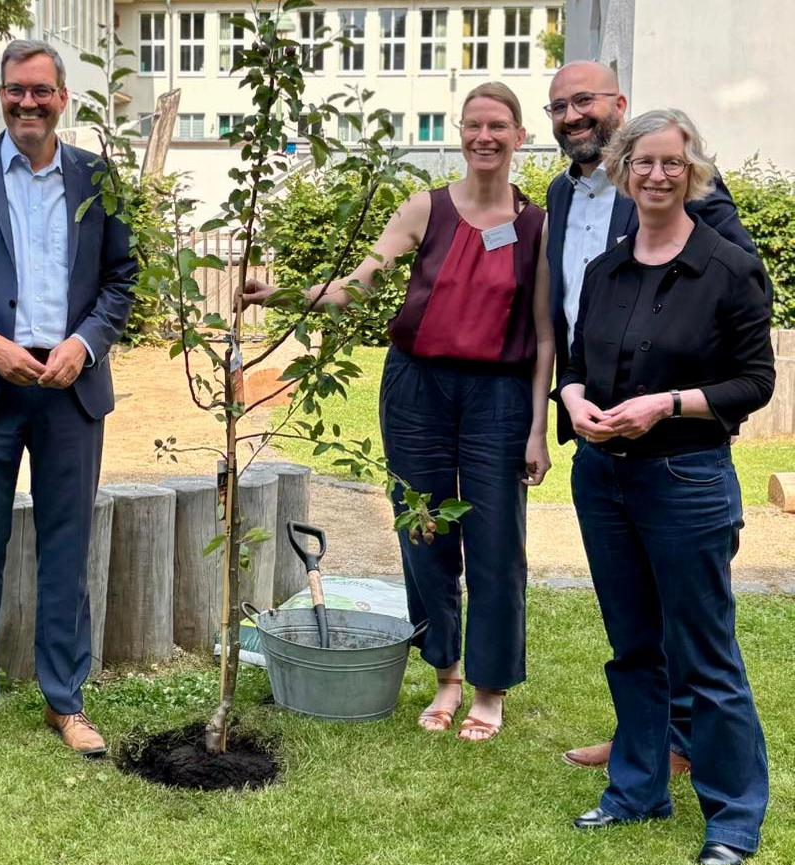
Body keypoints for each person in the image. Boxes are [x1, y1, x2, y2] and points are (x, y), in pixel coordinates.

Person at [246, 82, 553, 742]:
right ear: (460, 133)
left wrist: (537, 428)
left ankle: (490, 689)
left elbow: (545, 334)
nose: (484, 136)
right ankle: (445, 675)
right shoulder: (425, 208)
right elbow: (354, 287)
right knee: (423, 530)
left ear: (519, 137)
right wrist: (278, 293)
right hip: (417, 389)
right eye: (473, 125)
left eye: (498, 125)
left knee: (497, 541)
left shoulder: (536, 225)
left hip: (499, 395)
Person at [0, 39, 135, 759]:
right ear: (1, 94)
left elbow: (121, 279)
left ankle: (65, 701)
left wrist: (86, 342)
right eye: (15, 90)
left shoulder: (99, 177)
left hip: (70, 390)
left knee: (67, 550)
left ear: (63, 98)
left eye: (41, 91)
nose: (27, 103)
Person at [560, 109, 772, 865]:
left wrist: (667, 404)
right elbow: (578, 362)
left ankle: (734, 818)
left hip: (687, 478)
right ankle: (638, 789)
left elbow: (755, 382)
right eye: (643, 162)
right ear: (623, 170)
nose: (656, 175)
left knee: (705, 652)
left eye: (671, 164)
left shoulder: (728, 266)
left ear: (694, 173)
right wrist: (573, 399)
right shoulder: (604, 269)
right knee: (633, 647)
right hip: (604, 480)